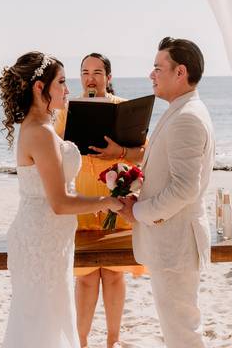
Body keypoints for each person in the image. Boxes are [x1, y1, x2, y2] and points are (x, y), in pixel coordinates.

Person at [0, 52, 122, 348]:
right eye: (62, 82)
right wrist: (107, 201)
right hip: (41, 240)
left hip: (51, 240)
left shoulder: (43, 126)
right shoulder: (40, 133)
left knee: (49, 320)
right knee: (41, 325)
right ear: (40, 88)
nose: (68, 90)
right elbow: (60, 202)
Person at [119, 37, 215, 348]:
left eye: (158, 68)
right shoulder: (183, 109)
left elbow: (184, 188)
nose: (152, 74)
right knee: (178, 328)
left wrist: (138, 212)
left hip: (175, 244)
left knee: (182, 332)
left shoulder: (187, 117)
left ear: (180, 72)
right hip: (172, 241)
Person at [54, 53, 146, 348]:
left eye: (97, 72)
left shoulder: (124, 109)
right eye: (84, 72)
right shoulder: (67, 111)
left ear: (109, 76)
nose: (90, 77)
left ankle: (113, 340)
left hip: (118, 196)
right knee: (86, 276)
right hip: (82, 198)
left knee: (115, 274)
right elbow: (55, 154)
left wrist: (118, 153)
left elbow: (143, 153)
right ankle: (81, 341)